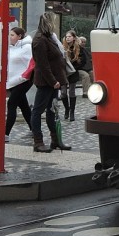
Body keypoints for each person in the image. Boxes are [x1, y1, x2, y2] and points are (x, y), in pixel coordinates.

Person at [29, 13, 71, 152]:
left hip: (53, 81)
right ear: (48, 23)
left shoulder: (49, 37)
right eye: (53, 22)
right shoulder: (40, 40)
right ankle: (38, 142)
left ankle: (56, 140)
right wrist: (53, 81)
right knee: (37, 111)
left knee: (52, 111)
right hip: (46, 82)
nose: (55, 25)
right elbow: (42, 64)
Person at [4, 26, 33, 140]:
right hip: (12, 81)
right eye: (9, 35)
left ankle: (5, 134)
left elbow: (31, 64)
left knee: (11, 103)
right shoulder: (11, 48)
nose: (10, 37)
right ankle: (34, 129)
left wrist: (24, 76)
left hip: (23, 81)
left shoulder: (27, 48)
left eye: (12, 35)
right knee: (24, 106)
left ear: (19, 36)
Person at [61, 29, 92, 123]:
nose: (68, 38)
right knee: (63, 92)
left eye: (69, 36)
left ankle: (72, 112)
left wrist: (74, 67)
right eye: (66, 37)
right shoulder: (62, 47)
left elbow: (83, 61)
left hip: (73, 72)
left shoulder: (79, 48)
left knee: (72, 91)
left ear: (74, 38)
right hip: (63, 72)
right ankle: (66, 108)